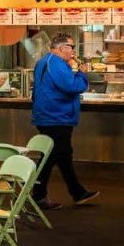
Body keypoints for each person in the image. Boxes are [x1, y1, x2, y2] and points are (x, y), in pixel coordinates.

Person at [31, 32, 99, 209]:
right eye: (71, 47)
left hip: (49, 115)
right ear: (62, 48)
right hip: (56, 117)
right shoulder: (57, 64)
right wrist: (82, 74)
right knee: (51, 157)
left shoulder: (45, 62)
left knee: (62, 156)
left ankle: (77, 192)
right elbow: (72, 87)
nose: (73, 52)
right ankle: (37, 196)